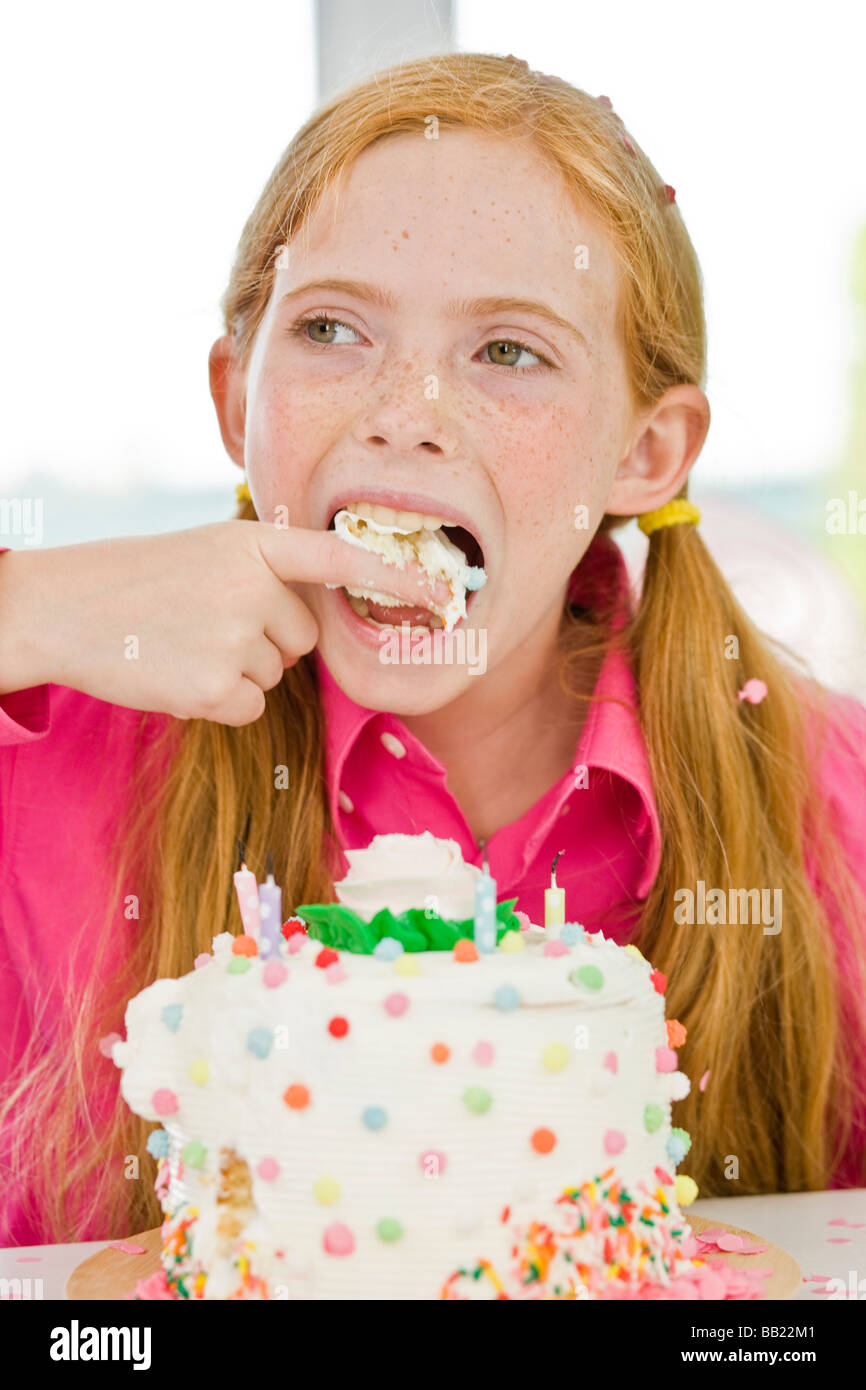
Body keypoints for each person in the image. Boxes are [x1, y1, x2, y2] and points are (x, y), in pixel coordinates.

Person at [1, 51, 865, 1249]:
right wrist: (24, 606)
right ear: (233, 397)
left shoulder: (834, 808)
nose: (402, 409)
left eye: (507, 351)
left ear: (647, 453)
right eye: (333, 329)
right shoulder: (40, 765)